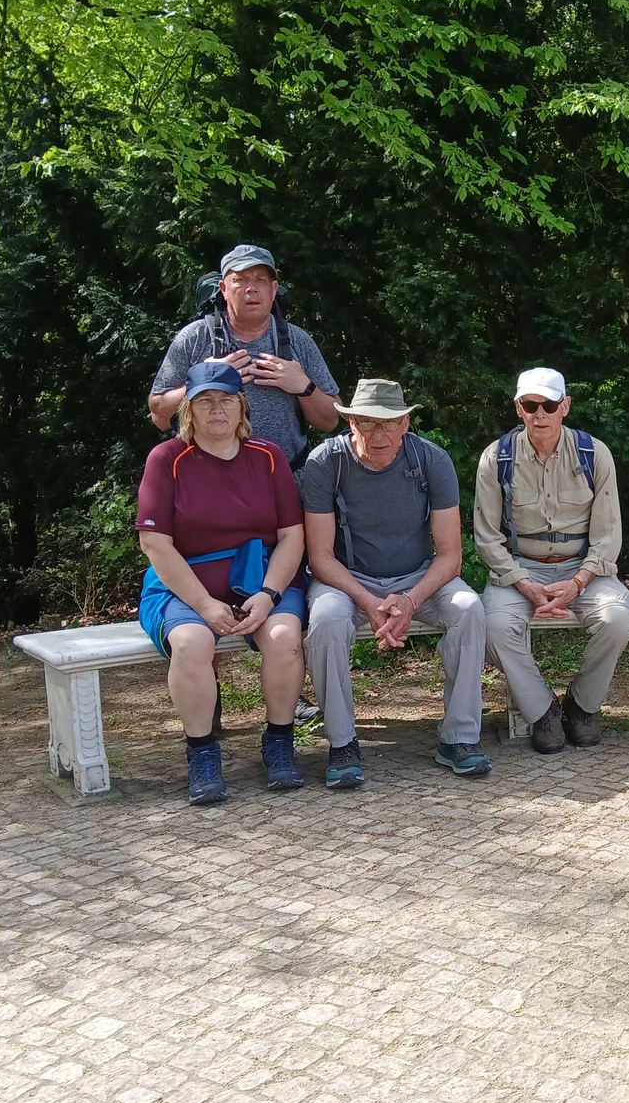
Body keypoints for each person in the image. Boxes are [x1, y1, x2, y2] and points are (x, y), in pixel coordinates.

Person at [300, 379, 492, 788]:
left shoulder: (432, 461)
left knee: (468, 608)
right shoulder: (324, 463)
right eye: (367, 423)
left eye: (389, 423)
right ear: (350, 424)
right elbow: (320, 557)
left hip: (419, 577)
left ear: (406, 423)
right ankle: (342, 743)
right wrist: (370, 602)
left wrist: (409, 598)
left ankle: (459, 738)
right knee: (327, 619)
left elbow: (450, 556)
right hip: (347, 580)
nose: (378, 434)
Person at [136, 362, 309, 804]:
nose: (217, 410)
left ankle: (279, 743)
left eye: (226, 400)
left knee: (286, 636)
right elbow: (155, 543)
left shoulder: (268, 456)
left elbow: (292, 536)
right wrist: (206, 604)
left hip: (264, 579)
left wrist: (269, 595)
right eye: (205, 401)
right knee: (193, 643)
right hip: (184, 584)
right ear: (188, 409)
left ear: (241, 407)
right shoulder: (167, 458)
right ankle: (202, 753)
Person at [474, 369, 629, 752]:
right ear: (519, 408)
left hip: (582, 568)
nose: (540, 413)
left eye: (549, 404)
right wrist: (522, 582)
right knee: (491, 630)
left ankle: (580, 706)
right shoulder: (497, 457)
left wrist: (578, 582)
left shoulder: (594, 454)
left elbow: (608, 535)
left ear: (565, 406)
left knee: (617, 621)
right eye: (531, 405)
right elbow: (486, 536)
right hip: (519, 569)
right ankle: (543, 710)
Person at [149, 245, 344, 469]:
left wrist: (304, 386)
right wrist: (202, 379)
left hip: (284, 482)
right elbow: (159, 417)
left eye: (260, 280)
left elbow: (330, 421)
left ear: (273, 289)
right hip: (207, 483)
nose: (251, 288)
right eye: (240, 279)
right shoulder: (194, 337)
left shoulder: (297, 341)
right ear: (223, 288)